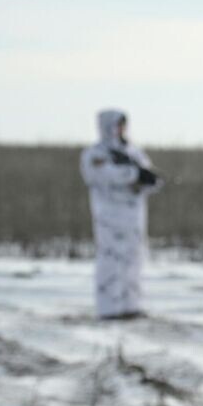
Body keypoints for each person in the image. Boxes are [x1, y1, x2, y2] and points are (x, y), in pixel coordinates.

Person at [78, 108, 161, 319]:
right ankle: (108, 309)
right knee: (110, 262)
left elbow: (149, 179)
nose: (121, 129)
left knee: (133, 261)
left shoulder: (134, 153)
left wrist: (147, 180)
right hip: (109, 217)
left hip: (133, 218)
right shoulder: (96, 154)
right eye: (118, 125)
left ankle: (131, 306)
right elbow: (104, 175)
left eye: (124, 125)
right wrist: (132, 174)